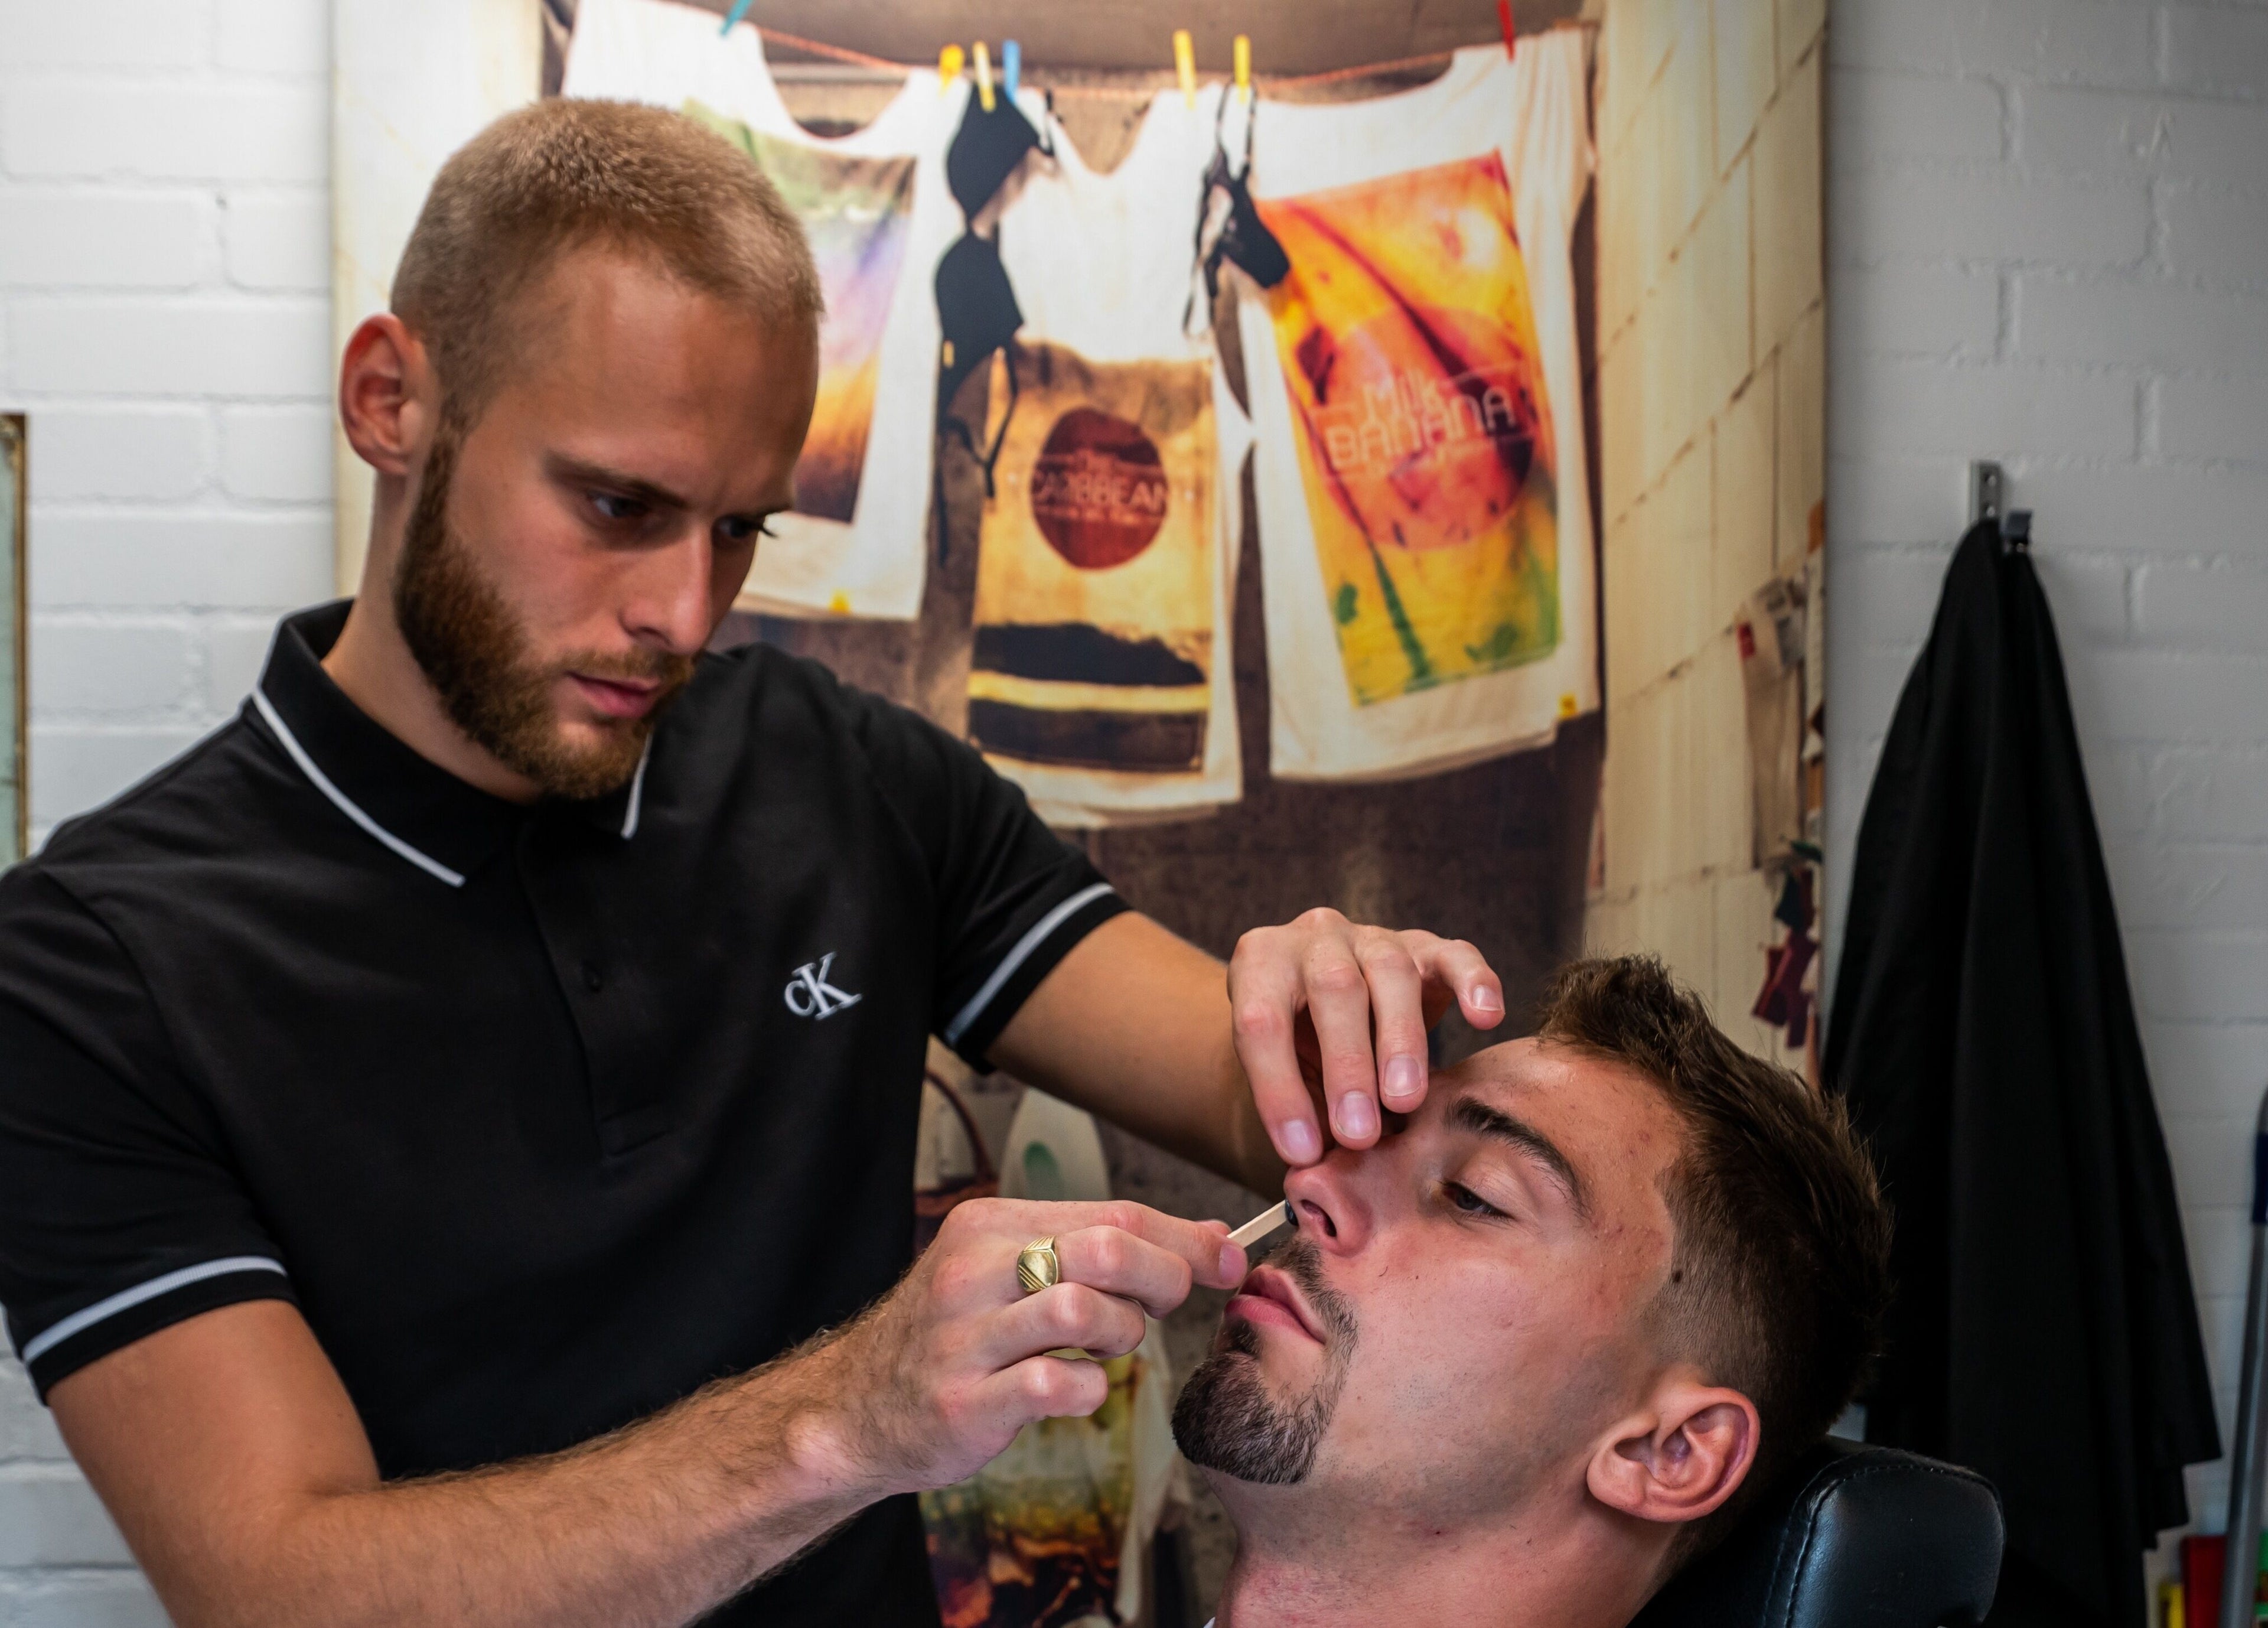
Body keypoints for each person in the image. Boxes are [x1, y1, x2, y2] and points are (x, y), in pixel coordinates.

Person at [0, 101, 1508, 1628]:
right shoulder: (95, 965)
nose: (683, 607)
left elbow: (1289, 1109)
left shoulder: (847, 775)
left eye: (738, 528)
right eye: (619, 506)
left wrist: (1341, 1011)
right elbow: (276, 1588)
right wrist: (846, 1417)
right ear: (391, 399)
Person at [1173, 954, 1894, 1628]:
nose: (1310, 1183)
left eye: (1471, 1194)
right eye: (1362, 1140)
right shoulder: (1047, 1274)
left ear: (1666, 1450)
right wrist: (1049, 1271)